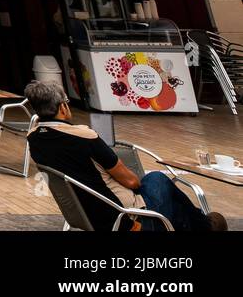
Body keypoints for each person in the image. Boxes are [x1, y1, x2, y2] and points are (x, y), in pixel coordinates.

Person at [24, 80, 226, 232]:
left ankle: (199, 226)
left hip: (83, 215)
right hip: (126, 220)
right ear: (62, 107)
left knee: (170, 203)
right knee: (156, 179)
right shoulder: (84, 136)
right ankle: (204, 226)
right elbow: (131, 181)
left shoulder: (33, 138)